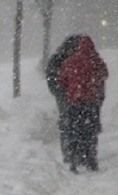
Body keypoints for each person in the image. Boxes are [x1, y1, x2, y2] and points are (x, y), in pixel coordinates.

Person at [55, 35, 108, 172]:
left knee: (74, 131)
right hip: (91, 103)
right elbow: (105, 74)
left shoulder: (70, 62)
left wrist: (71, 89)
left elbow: (62, 80)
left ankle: (73, 160)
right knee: (90, 132)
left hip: (75, 103)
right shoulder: (96, 61)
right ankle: (91, 160)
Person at [46, 35, 82, 163]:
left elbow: (51, 78)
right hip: (74, 97)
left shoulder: (58, 59)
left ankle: (69, 152)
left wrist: (59, 92)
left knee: (67, 123)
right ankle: (76, 152)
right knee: (76, 123)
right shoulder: (78, 59)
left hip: (67, 96)